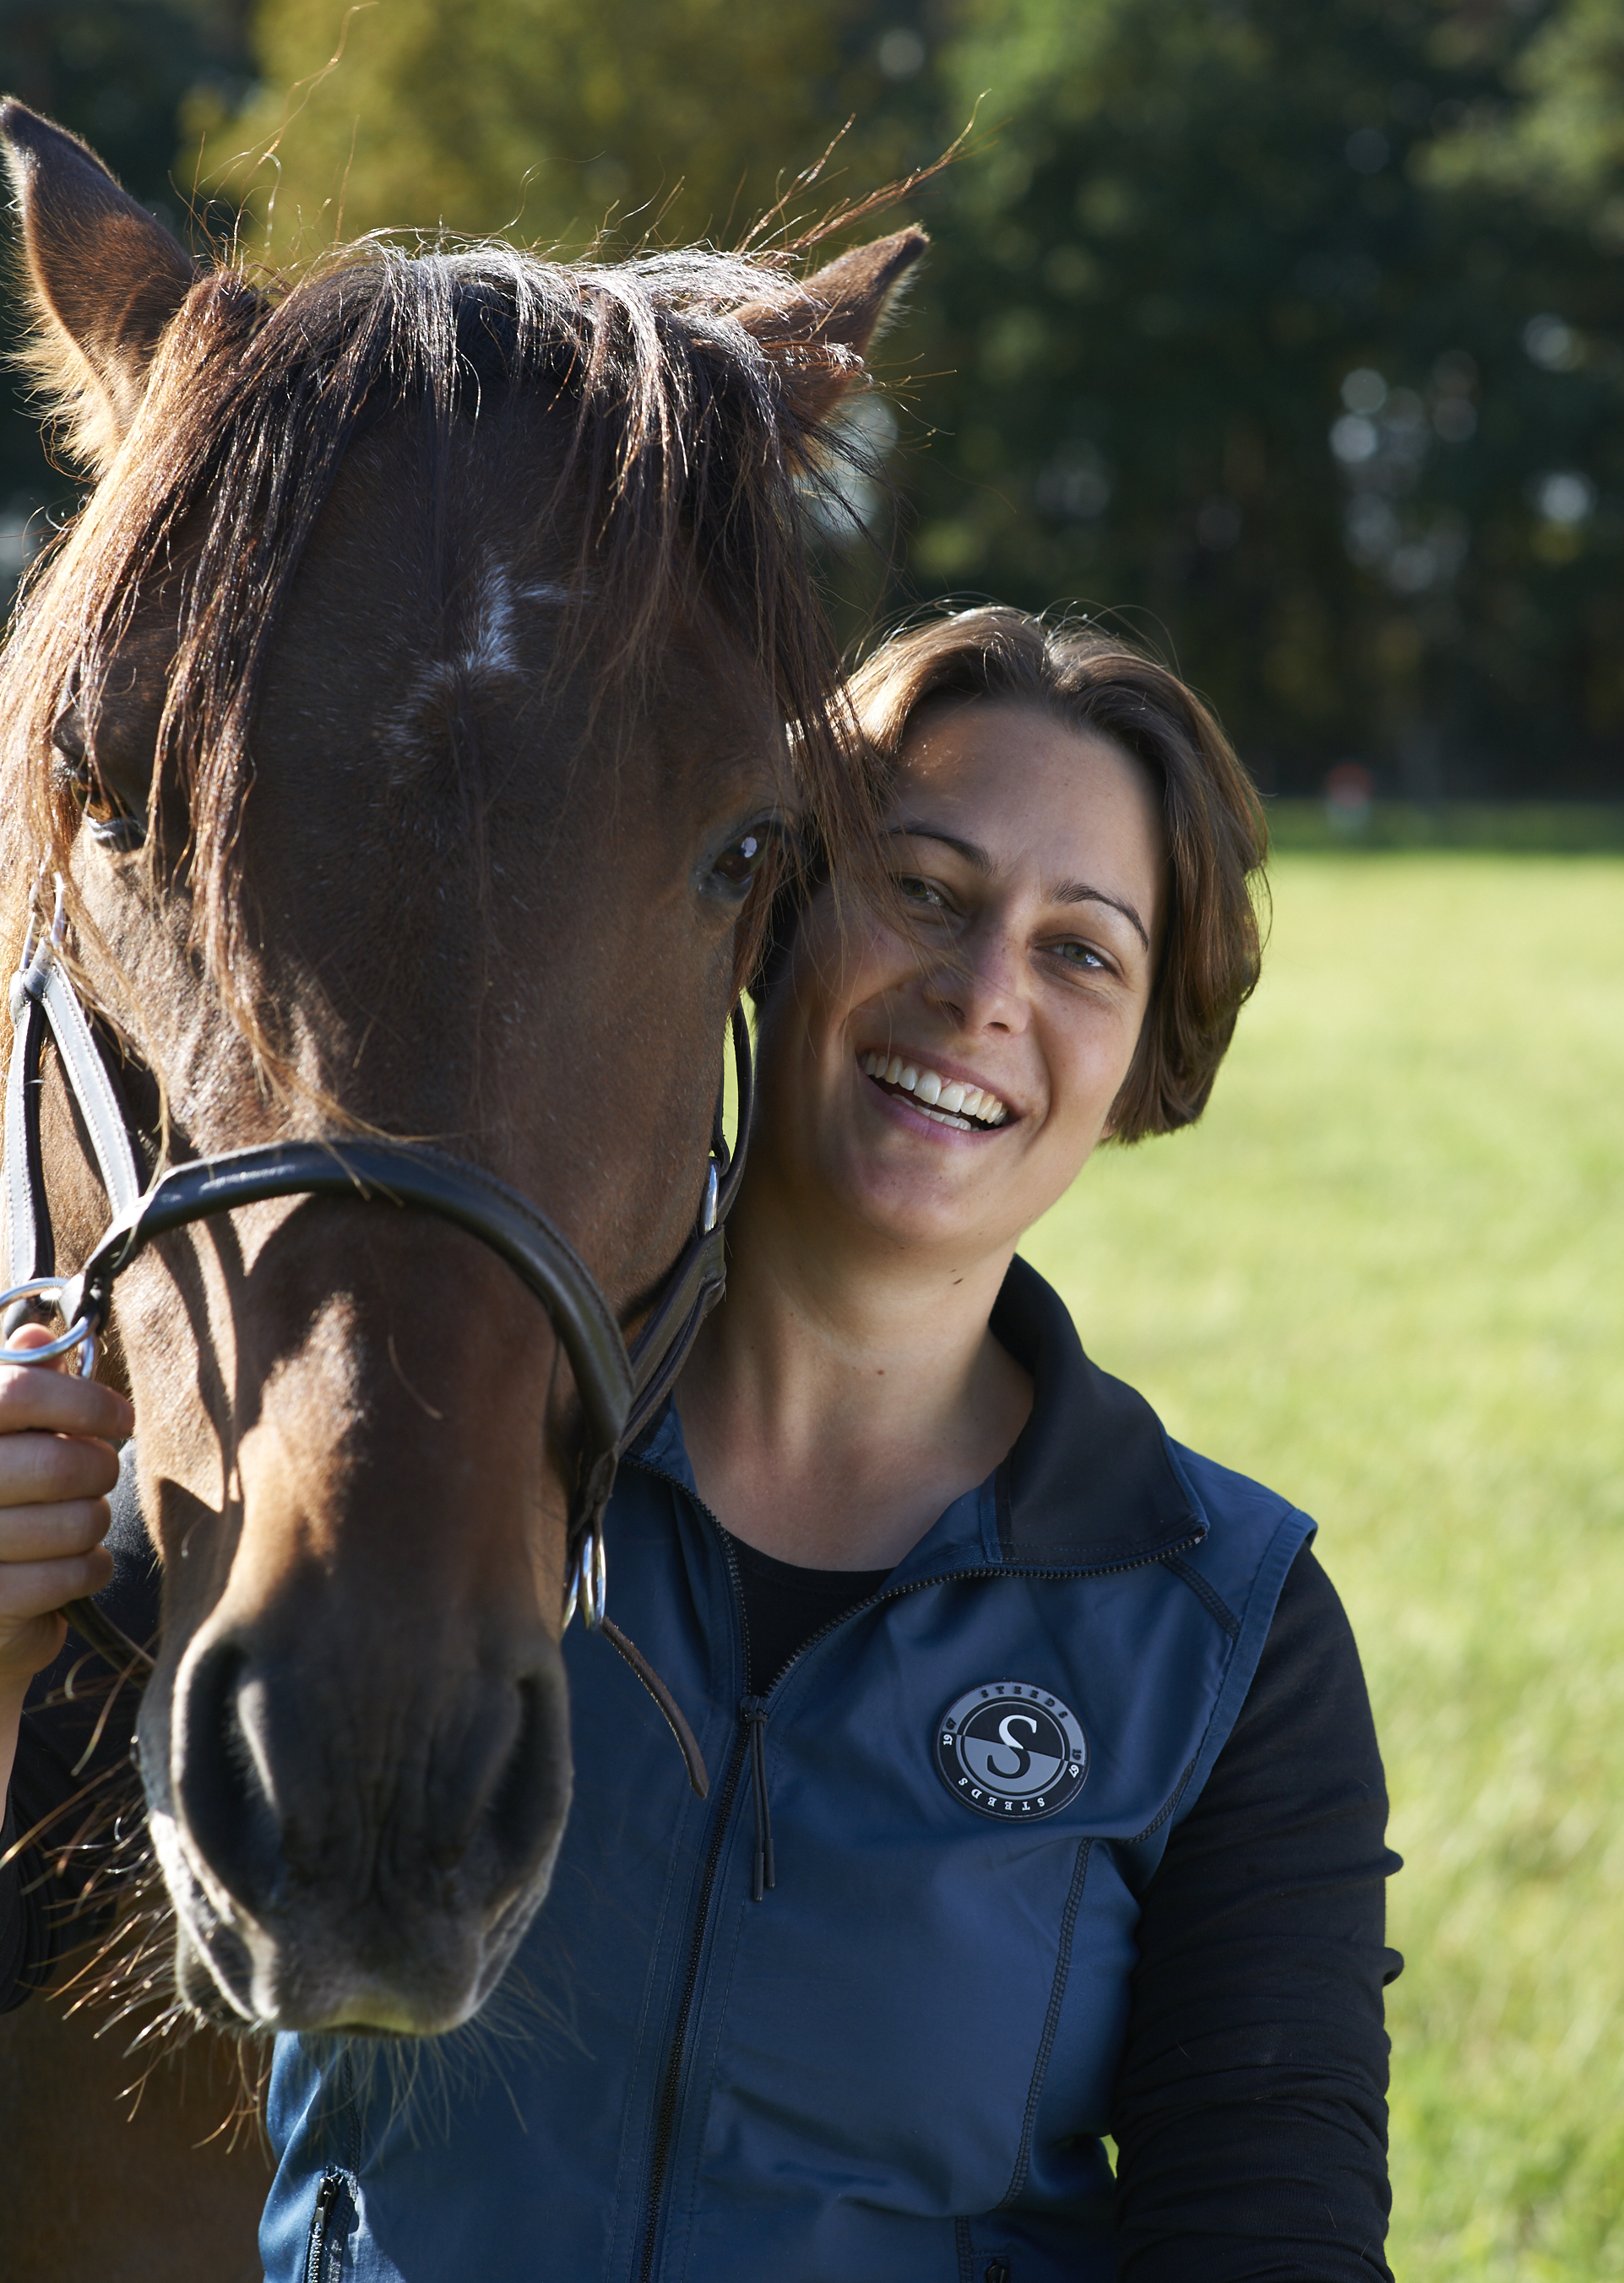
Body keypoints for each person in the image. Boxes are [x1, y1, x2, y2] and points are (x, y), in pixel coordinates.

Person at [1, 606, 1399, 2280]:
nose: (979, 995)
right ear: (759, 917)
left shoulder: (1221, 1631)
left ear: (1143, 1055)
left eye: (1080, 953)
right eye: (923, 890)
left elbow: (1268, 2227)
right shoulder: (379, 1460)